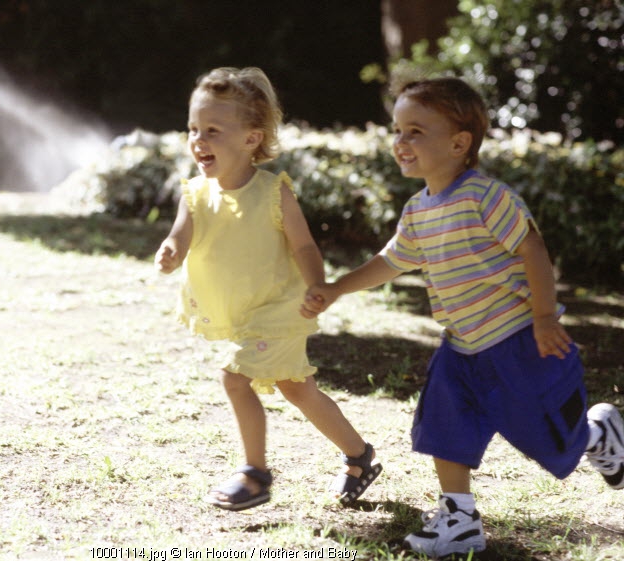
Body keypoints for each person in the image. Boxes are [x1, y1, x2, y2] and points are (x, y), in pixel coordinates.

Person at [301, 74, 624, 557]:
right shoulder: (418, 210)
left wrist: (543, 317)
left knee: (549, 438)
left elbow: (532, 248)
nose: (400, 141)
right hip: (461, 345)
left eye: (415, 131)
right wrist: (335, 289)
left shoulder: (485, 196)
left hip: (518, 340)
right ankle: (458, 518)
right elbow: (391, 261)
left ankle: (598, 436)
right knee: (444, 425)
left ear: (458, 143)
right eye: (397, 130)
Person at [155, 67, 382, 512]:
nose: (198, 140)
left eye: (213, 130)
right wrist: (171, 251)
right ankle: (359, 456)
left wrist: (318, 285)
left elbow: (304, 245)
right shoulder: (195, 193)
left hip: (280, 307)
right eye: (193, 129)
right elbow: (181, 234)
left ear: (251, 139)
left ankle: (254, 474)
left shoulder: (275, 193)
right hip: (243, 311)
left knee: (234, 378)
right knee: (298, 390)